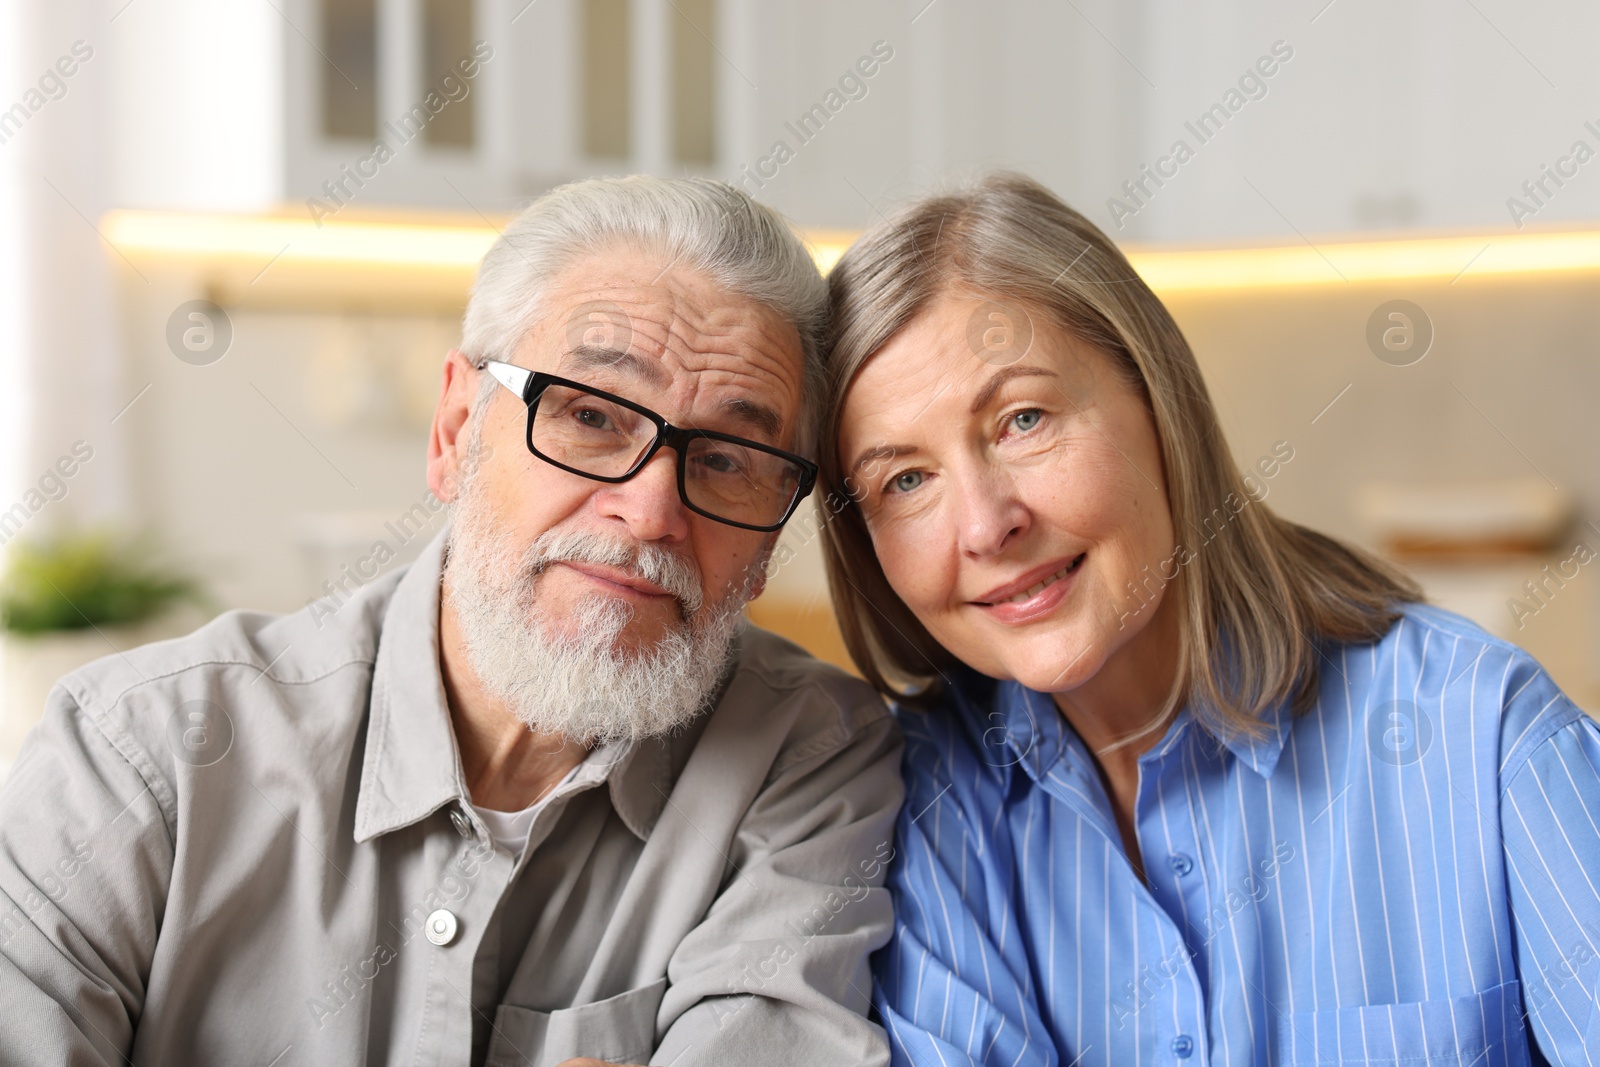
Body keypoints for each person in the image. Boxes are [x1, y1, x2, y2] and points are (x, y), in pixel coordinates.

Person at [0, 176, 903, 1066]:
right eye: (590, 415)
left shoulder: (813, 763)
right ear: (455, 429)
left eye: (729, 458)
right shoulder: (137, 759)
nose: (652, 509)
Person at [818, 172, 1600, 1065]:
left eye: (1023, 419)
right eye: (905, 480)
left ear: (1160, 399)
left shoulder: (1490, 739)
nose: (987, 524)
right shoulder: (918, 809)